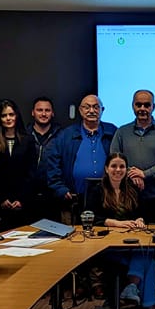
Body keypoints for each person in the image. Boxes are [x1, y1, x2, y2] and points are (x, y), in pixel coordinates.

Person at [86, 152, 155, 309]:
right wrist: (116, 223)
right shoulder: (97, 190)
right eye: (114, 166)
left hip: (131, 245)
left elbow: (143, 213)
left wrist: (140, 220)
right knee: (148, 261)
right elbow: (89, 217)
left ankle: (133, 289)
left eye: (122, 166)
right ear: (106, 169)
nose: (118, 170)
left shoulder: (132, 189)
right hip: (108, 249)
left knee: (147, 253)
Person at [44, 94, 116, 223]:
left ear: (102, 110)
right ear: (80, 110)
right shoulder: (66, 135)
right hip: (74, 201)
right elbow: (53, 165)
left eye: (96, 107)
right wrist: (60, 189)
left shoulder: (113, 132)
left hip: (108, 200)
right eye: (87, 107)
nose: (91, 111)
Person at [110, 90, 155, 220]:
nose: (142, 108)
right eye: (138, 105)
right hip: (128, 196)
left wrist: (144, 174)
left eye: (147, 105)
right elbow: (114, 160)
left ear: (153, 107)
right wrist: (133, 175)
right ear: (133, 106)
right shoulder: (122, 132)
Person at [0, 99, 36, 230]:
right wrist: (1, 199)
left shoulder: (28, 140)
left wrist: (22, 199)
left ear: (17, 116)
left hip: (22, 202)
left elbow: (31, 172)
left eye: (11, 114)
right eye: (4, 115)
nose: (8, 118)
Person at [27, 96, 63, 220]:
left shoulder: (62, 135)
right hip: (28, 196)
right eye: (39, 110)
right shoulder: (24, 135)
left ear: (52, 113)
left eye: (47, 110)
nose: (43, 114)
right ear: (33, 112)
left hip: (53, 195)